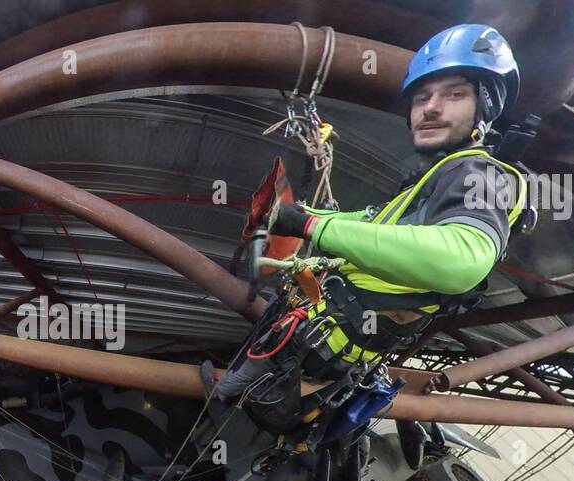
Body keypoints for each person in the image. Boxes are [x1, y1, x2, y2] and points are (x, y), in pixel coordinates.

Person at [205, 23, 530, 436]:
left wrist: (309, 225)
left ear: (486, 106)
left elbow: (462, 259)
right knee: (241, 402)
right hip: (313, 340)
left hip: (326, 354)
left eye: (454, 94)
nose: (430, 108)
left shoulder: (480, 172)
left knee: (246, 425)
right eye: (422, 97)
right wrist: (307, 219)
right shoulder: (436, 177)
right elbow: (372, 225)